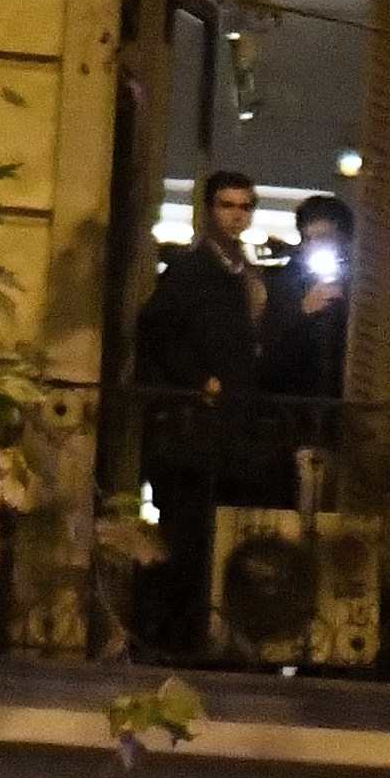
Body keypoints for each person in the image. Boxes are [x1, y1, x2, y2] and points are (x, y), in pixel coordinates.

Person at [137, 170, 274, 653]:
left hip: (226, 432)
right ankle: (178, 638)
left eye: (244, 206)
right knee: (189, 541)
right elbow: (155, 327)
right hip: (195, 434)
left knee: (213, 540)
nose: (236, 215)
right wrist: (198, 379)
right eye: (226, 205)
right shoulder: (194, 268)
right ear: (210, 209)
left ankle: (205, 635)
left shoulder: (243, 269)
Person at [262, 192, 353, 406]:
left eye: (326, 239)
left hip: (347, 396)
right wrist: (302, 312)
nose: (317, 247)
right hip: (296, 399)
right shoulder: (287, 281)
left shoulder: (361, 282)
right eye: (310, 239)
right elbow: (271, 348)